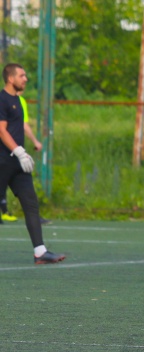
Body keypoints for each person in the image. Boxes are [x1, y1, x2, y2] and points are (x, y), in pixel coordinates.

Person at [0, 63, 65, 264]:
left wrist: (22, 154)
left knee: (30, 204)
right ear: (11, 78)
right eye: (22, 75)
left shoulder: (18, 100)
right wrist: (18, 151)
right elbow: (1, 130)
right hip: (3, 160)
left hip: (16, 163)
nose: (25, 79)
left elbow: (18, 128)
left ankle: (40, 252)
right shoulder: (2, 99)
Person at [0, 91, 50, 224]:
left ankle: (9, 212)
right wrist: (35, 141)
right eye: (22, 79)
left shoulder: (14, 100)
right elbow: (23, 125)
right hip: (8, 152)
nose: (25, 81)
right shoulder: (16, 100)